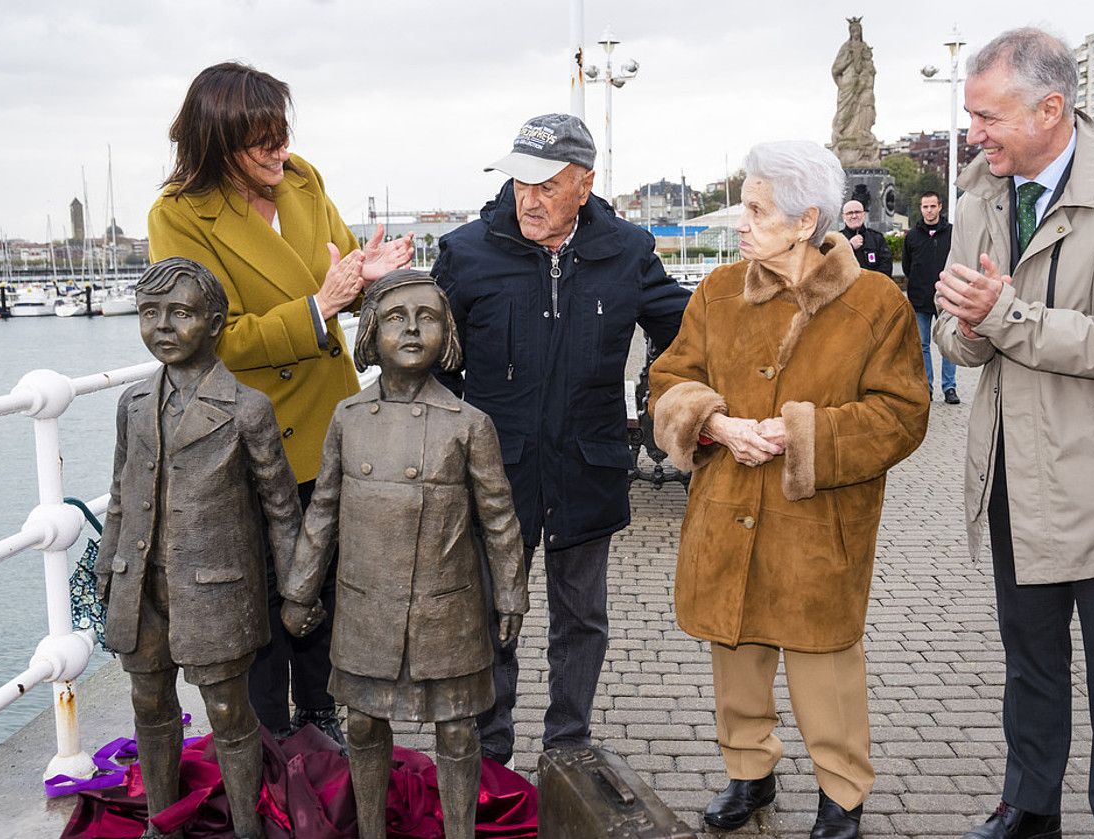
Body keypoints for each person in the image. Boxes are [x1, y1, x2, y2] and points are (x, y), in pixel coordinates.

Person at [932, 28, 1094, 839]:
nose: (974, 133)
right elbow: (958, 337)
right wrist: (966, 328)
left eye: (986, 116)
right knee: (1031, 662)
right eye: (970, 116)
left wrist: (999, 314)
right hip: (1015, 477)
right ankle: (1030, 802)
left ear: (1052, 107)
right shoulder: (978, 198)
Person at [649, 140, 928, 839]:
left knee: (823, 664)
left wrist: (799, 436)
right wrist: (713, 421)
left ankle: (843, 793)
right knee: (735, 656)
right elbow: (668, 378)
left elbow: (901, 414)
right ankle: (749, 772)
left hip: (819, 524)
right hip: (725, 511)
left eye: (754, 209)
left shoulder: (876, 303)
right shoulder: (716, 293)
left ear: (805, 221)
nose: (739, 223)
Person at [147, 61, 413, 745]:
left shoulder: (303, 180)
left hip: (328, 422)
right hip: (247, 438)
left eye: (282, 133)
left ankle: (321, 721)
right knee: (261, 599)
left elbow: (341, 270)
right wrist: (319, 307)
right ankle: (267, 741)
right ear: (215, 141)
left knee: (326, 582)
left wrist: (367, 281)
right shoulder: (179, 215)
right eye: (261, 141)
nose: (279, 152)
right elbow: (208, 339)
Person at [431, 113, 690, 765]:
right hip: (496, 474)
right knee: (493, 616)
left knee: (582, 619)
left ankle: (568, 742)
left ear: (585, 183)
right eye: (520, 182)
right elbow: (431, 362)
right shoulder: (466, 253)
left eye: (547, 185)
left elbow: (688, 327)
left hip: (587, 466)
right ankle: (490, 750)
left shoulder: (628, 250)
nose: (530, 198)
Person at [281, 270, 529, 839]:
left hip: (446, 608)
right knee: (365, 723)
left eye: (429, 317)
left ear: (449, 334)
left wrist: (511, 591)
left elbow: (498, 519)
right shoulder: (347, 419)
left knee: (459, 730)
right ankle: (370, 830)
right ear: (370, 332)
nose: (413, 330)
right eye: (396, 317)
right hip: (368, 605)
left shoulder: (470, 425)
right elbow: (323, 513)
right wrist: (299, 590)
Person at [97, 258, 305, 839]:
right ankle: (164, 824)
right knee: (149, 705)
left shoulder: (247, 409)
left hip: (216, 591)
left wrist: (295, 590)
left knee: (229, 713)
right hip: (141, 585)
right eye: (149, 314)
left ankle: (247, 828)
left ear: (215, 323)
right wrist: (108, 566)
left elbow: (282, 508)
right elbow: (121, 490)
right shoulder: (134, 405)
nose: (163, 326)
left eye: (181, 314)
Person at [902, 191, 958, 403]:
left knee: (947, 344)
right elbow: (907, 266)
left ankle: (950, 387)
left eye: (932, 206)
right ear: (921, 209)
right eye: (925, 207)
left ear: (940, 207)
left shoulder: (952, 233)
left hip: (947, 298)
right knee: (922, 345)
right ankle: (927, 387)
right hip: (920, 298)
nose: (929, 210)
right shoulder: (913, 236)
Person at [840, 199, 892, 276]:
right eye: (849, 213)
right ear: (843, 217)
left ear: (864, 215)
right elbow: (832, 267)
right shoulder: (837, 240)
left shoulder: (877, 238)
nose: (854, 216)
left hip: (873, 286)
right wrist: (849, 247)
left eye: (857, 212)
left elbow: (886, 267)